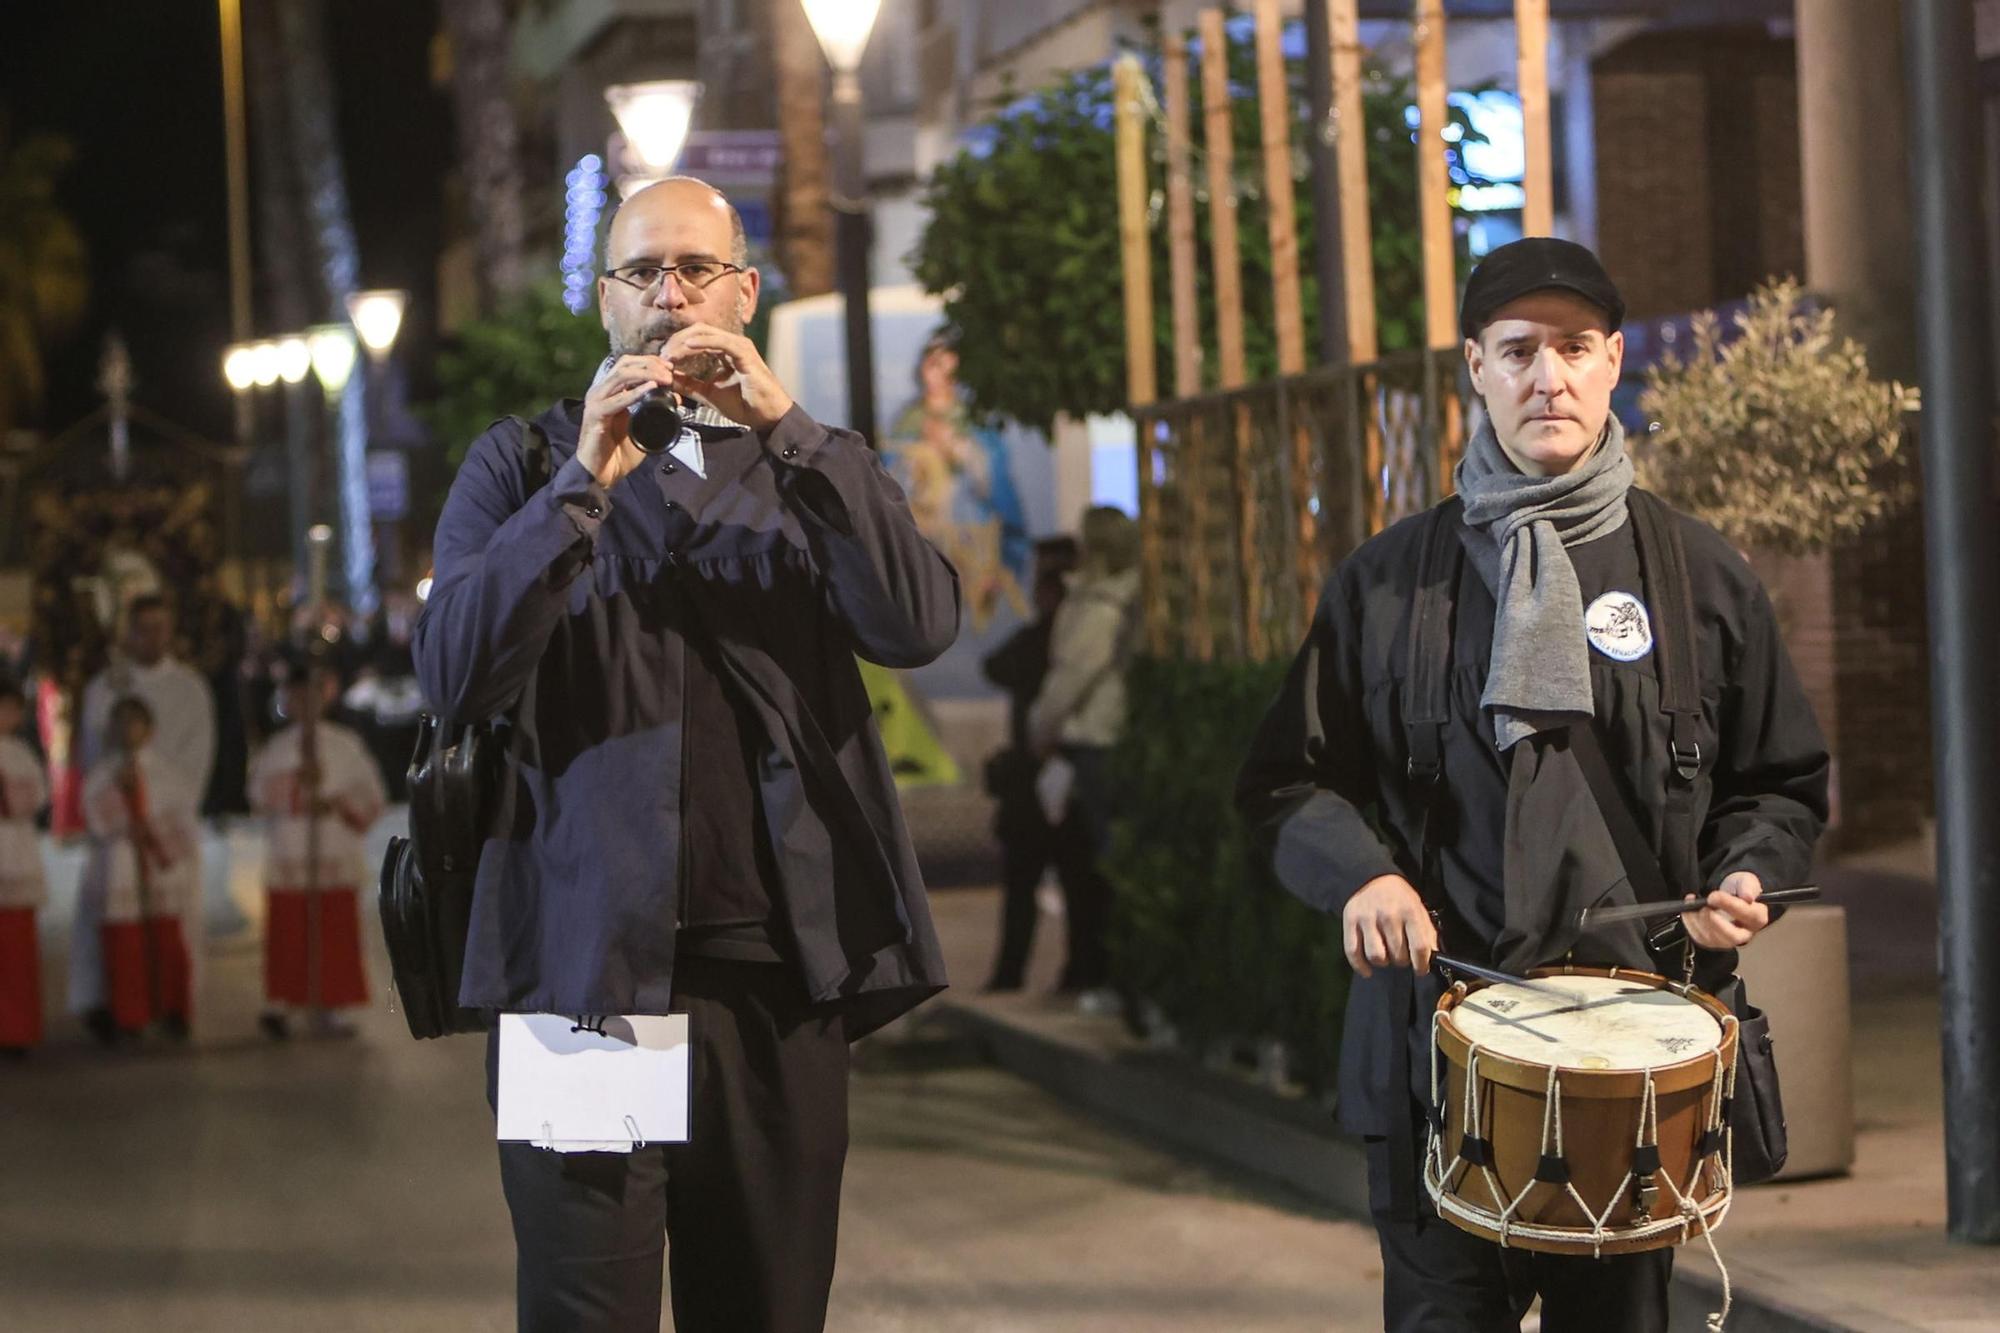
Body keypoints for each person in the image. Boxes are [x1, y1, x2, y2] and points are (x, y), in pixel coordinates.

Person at [1236, 236, 1829, 1333]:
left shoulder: (1700, 578)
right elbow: (1284, 780)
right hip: (1432, 1059)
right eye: (1516, 350)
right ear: (1474, 366)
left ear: (1611, 363)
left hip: (1633, 1068)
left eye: (1571, 347)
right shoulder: (1386, 583)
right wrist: (1360, 875)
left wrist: (1746, 873)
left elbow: (1782, 783)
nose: (1545, 376)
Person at [414, 175, 959, 1333]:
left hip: (777, 978)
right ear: (602, 300)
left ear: (744, 292)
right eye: (639, 273)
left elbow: (916, 624)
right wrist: (581, 484)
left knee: (766, 1308)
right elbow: (453, 671)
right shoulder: (520, 464)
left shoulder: (813, 464)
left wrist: (789, 433)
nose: (668, 295)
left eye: (694, 269)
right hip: (582, 986)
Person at [71, 593, 216, 1040]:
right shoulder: (104, 688)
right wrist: (117, 808)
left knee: (175, 919)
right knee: (110, 917)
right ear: (128, 631)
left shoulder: (190, 688)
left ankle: (174, 1003)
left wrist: (159, 808)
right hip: (117, 830)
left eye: (161, 628)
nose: (152, 637)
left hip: (166, 826)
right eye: (143, 628)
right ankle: (108, 1002)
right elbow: (92, 755)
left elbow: (198, 756)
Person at [1028, 506, 1142, 1002]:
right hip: (1107, 739)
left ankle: (1107, 974)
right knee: (1096, 864)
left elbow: (1070, 678)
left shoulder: (1099, 605)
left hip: (1092, 743)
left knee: (1096, 867)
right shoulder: (1125, 599)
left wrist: (1040, 728)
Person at [250, 654, 387, 1041]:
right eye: (296, 697)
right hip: (292, 847)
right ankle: (283, 1001)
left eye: (312, 695)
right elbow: (259, 795)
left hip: (333, 847)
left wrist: (335, 800)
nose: (304, 704)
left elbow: (371, 794)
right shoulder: (276, 748)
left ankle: (333, 1003)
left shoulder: (345, 745)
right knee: (290, 928)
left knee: (335, 929)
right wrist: (296, 786)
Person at [979, 535, 1083, 991]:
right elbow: (996, 666)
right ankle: (1013, 975)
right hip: (1031, 782)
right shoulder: (1042, 639)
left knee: (1078, 888)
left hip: (1068, 775)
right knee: (1026, 885)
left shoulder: (1072, 640)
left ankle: (1076, 973)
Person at [81, 696, 201, 1043]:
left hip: (158, 866)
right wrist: (121, 805)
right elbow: (93, 813)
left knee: (166, 939)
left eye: (135, 722)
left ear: (149, 730)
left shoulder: (167, 773)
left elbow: (182, 818)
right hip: (120, 862)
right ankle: (130, 1014)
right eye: (120, 722)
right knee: (126, 943)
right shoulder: (103, 774)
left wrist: (152, 830)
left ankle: (172, 1010)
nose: (128, 730)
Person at [0, 679, 49, 1056]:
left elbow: (35, 798)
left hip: (16, 857)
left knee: (18, 953)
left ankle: (17, 1029)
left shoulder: (22, 754)